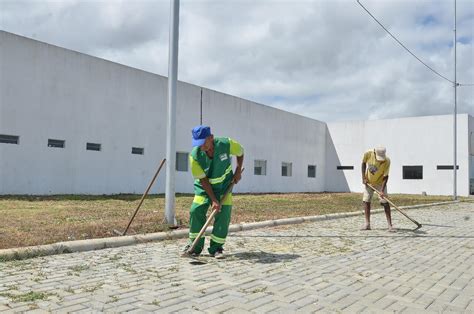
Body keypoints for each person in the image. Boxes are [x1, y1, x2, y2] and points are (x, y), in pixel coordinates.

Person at [183, 125, 244, 259]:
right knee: (196, 210)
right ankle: (195, 247)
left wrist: (238, 170)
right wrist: (213, 200)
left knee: (223, 213)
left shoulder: (226, 144)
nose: (201, 147)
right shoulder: (194, 156)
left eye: (203, 142)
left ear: (211, 138)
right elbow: (203, 180)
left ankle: (216, 248)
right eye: (197, 143)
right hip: (204, 188)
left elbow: (240, 152)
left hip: (224, 187)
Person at [361, 147, 394, 231]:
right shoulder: (368, 154)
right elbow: (363, 163)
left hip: (380, 183)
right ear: (375, 153)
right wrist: (363, 177)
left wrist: (382, 190)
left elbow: (386, 177)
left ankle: (390, 225)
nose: (380, 160)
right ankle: (367, 224)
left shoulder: (387, 161)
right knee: (366, 201)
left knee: (385, 202)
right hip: (369, 182)